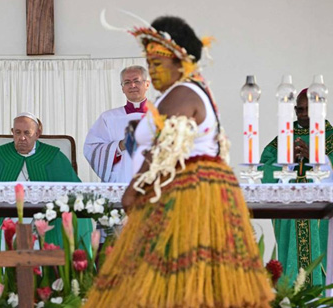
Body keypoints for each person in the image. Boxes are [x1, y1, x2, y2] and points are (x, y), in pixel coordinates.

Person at [86, 16, 273, 307]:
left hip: (186, 198)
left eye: (157, 64)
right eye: (149, 63)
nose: (152, 71)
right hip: (185, 192)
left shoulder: (182, 93)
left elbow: (165, 150)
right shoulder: (183, 91)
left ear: (180, 62)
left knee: (175, 281)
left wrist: (133, 190)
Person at [0, 112, 90, 254]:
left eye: (27, 133)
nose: (22, 138)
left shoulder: (53, 156)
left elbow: (75, 190)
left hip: (44, 219)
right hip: (4, 218)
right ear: (12, 132)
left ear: (37, 134)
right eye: (17, 132)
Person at [259, 88, 331, 286]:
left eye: (308, 109)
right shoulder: (284, 137)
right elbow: (264, 168)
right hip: (291, 215)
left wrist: (318, 159)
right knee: (291, 270)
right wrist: (286, 160)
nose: (303, 114)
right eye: (299, 110)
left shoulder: (330, 136)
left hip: (321, 218)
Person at [84, 65, 149, 182]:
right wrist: (120, 146)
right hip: (121, 180)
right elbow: (92, 149)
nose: (132, 85)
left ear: (147, 84)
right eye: (127, 82)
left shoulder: (162, 115)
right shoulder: (109, 118)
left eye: (136, 81)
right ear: (122, 88)